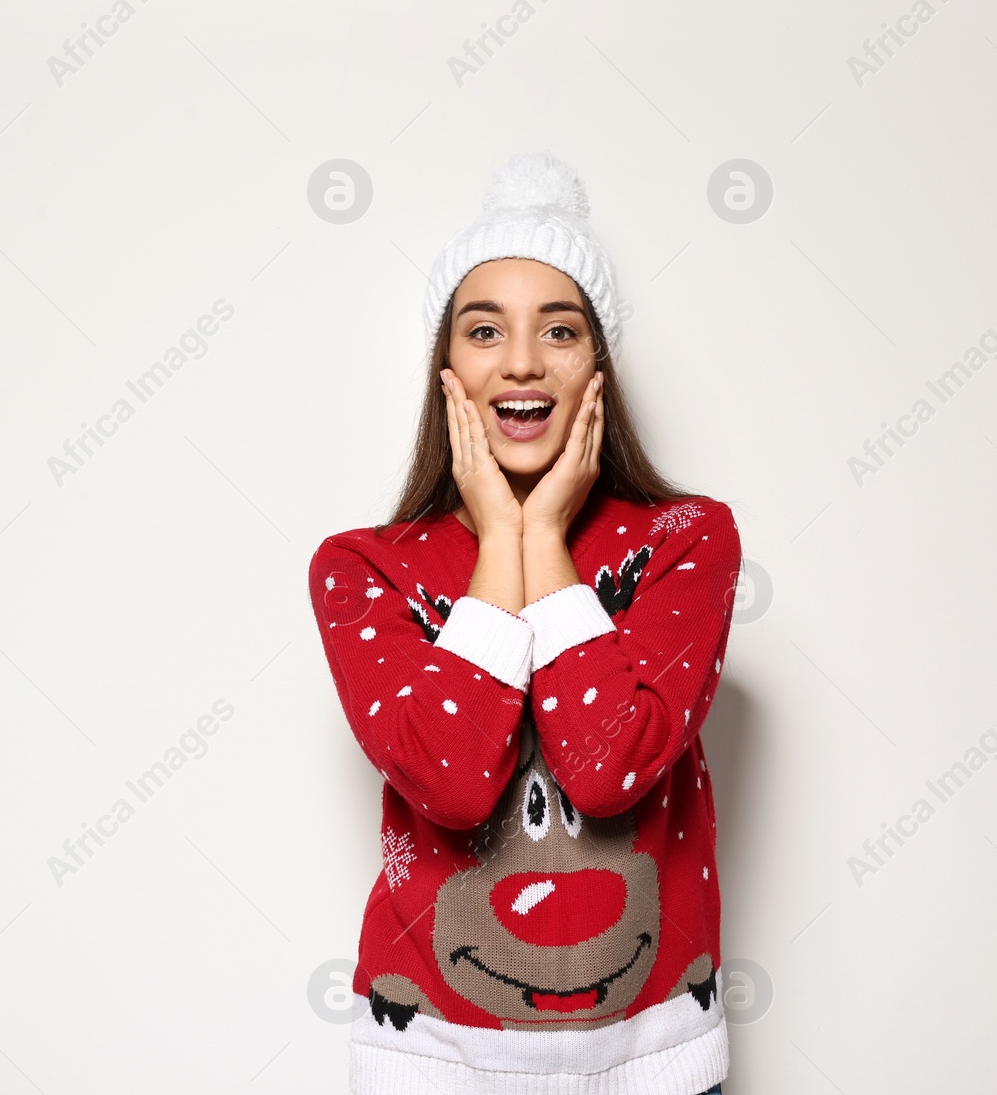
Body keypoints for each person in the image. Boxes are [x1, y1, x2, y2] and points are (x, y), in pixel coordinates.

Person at [309, 152, 739, 1095]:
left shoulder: (687, 539)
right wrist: (501, 537)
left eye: (560, 329)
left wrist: (539, 530)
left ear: (599, 365)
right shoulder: (363, 568)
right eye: (483, 330)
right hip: (433, 1059)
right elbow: (453, 785)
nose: (521, 361)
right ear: (447, 368)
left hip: (654, 1059)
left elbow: (606, 767)